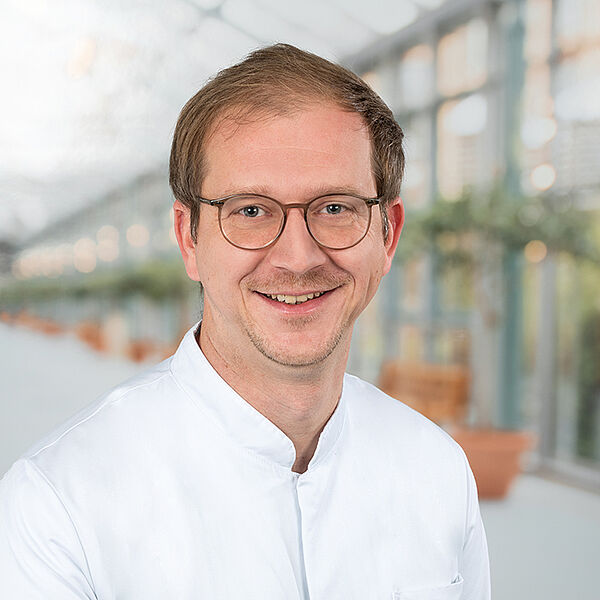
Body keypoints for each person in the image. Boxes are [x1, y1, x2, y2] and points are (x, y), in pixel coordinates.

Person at [0, 44, 490, 599]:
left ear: (388, 235)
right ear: (189, 239)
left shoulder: (439, 472)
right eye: (251, 211)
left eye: (335, 208)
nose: (298, 258)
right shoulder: (59, 507)